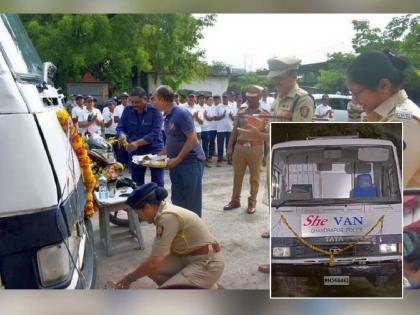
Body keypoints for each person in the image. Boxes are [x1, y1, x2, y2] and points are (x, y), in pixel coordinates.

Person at [114, 183, 224, 289]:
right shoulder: (163, 210)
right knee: (147, 267)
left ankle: (205, 286)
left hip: (207, 262)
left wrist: (129, 279)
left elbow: (155, 261)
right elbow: (154, 260)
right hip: (186, 256)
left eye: (138, 212)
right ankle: (196, 286)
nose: (140, 217)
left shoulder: (167, 218)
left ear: (147, 207)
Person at [346, 49, 420, 187]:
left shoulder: (406, 121)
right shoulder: (381, 117)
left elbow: (390, 186)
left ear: (384, 86)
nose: (354, 101)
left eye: (356, 93)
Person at [153, 85, 206, 217]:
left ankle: (194, 233)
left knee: (191, 200)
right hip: (176, 162)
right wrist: (161, 154)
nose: (152, 102)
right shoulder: (167, 116)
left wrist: (177, 159)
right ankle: (181, 229)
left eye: (154, 99)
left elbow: (192, 139)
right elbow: (173, 138)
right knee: (178, 199)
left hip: (191, 162)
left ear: (162, 99)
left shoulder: (181, 113)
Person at [223, 85, 265, 214]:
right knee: (237, 176)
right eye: (248, 97)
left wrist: (267, 154)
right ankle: (235, 200)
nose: (250, 100)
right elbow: (234, 130)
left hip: (256, 148)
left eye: (254, 97)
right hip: (240, 147)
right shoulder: (241, 111)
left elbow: (267, 134)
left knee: (255, 178)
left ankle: (252, 202)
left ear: (260, 97)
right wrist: (229, 148)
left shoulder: (264, 114)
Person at [116, 87, 164, 187]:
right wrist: (122, 135)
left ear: (145, 99)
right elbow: (120, 127)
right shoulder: (127, 110)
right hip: (135, 151)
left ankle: (158, 202)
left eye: (137, 102)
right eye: (132, 102)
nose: (134, 105)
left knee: (157, 182)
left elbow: (155, 133)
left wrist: (137, 143)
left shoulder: (155, 111)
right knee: (137, 183)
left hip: (155, 149)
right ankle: (140, 202)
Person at [268, 56, 314, 121]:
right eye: (274, 78)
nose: (275, 82)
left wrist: (258, 132)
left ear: (294, 76)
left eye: (279, 78)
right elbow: (269, 127)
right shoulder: (279, 97)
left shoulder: (302, 99)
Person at [214, 94, 233, 167]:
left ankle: (229, 159)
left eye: (226, 97)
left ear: (228, 98)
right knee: (220, 145)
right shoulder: (218, 106)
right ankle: (219, 160)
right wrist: (222, 116)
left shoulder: (232, 106)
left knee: (229, 145)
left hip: (229, 128)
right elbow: (215, 118)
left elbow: (234, 118)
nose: (225, 99)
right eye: (224, 97)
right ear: (222, 98)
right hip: (221, 129)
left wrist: (231, 116)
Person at [115, 92, 130, 165]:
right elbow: (115, 119)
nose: (124, 100)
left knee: (129, 146)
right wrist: (123, 119)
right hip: (121, 129)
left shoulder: (131, 107)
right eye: (123, 98)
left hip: (129, 130)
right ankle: (121, 163)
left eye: (126, 98)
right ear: (121, 99)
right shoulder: (117, 108)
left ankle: (128, 162)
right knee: (120, 147)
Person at [199, 93, 214, 167]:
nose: (202, 100)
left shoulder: (207, 107)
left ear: (205, 100)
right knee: (197, 146)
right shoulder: (196, 107)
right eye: (200, 98)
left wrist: (206, 116)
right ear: (198, 99)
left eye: (203, 98)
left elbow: (210, 118)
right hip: (198, 129)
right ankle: (198, 161)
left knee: (205, 146)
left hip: (206, 129)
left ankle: (205, 161)